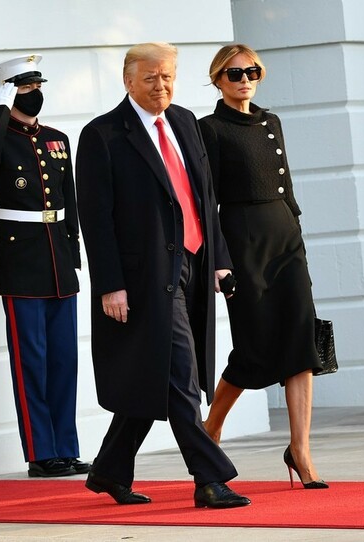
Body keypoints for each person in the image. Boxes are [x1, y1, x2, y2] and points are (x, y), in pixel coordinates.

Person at [75, 42, 250, 509]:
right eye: (151, 78)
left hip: (193, 264)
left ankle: (110, 469)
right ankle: (210, 478)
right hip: (144, 276)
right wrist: (110, 284)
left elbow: (203, 196)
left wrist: (219, 258)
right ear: (128, 81)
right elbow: (95, 218)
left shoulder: (186, 122)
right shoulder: (102, 134)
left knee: (153, 373)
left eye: (168, 76)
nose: (161, 86)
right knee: (179, 373)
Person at [198, 44, 328, 490]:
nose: (244, 80)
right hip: (243, 242)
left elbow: (286, 187)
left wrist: (296, 232)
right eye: (234, 73)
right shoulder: (209, 129)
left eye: (251, 71)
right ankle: (211, 428)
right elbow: (206, 201)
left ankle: (300, 451)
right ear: (218, 79)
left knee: (301, 342)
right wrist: (218, 260)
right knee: (253, 347)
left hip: (285, 240)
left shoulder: (271, 122)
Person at [0, 54, 91, 477]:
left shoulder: (57, 139)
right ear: (9, 92)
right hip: (21, 261)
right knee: (31, 362)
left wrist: (73, 255)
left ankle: (66, 448)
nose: (35, 93)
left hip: (58, 259)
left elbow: (69, 200)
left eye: (38, 86)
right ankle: (41, 454)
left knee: (63, 360)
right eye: (25, 87)